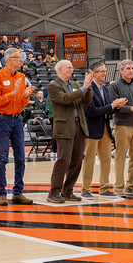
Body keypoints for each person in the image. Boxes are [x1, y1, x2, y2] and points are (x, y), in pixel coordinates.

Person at [0, 48, 35, 206]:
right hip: (2, 119)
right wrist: (13, 92)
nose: (21, 60)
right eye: (18, 57)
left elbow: (22, 103)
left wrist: (25, 96)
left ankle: (18, 192)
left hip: (17, 120)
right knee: (2, 157)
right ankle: (1, 193)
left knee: (21, 158)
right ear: (8, 60)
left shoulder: (22, 76)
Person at [45, 60, 94, 203]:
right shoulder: (53, 86)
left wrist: (88, 88)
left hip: (80, 126)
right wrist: (83, 88)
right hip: (65, 127)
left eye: (72, 67)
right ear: (59, 69)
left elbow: (87, 100)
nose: (71, 70)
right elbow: (65, 99)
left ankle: (68, 191)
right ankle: (54, 192)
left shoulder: (75, 85)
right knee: (63, 160)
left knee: (77, 160)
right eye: (69, 68)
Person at [81, 62, 126, 200]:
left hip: (105, 128)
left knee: (106, 160)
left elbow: (108, 108)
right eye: (101, 71)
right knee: (89, 161)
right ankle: (85, 189)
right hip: (91, 129)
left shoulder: (106, 89)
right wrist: (111, 105)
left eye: (105, 71)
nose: (104, 73)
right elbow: (91, 111)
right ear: (93, 73)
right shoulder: (88, 89)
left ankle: (104, 188)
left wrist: (117, 107)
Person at [109, 59, 133, 197]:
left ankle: (131, 187)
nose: (131, 70)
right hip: (122, 125)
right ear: (121, 71)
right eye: (128, 68)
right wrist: (132, 108)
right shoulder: (114, 86)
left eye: (132, 68)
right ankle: (119, 188)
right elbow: (114, 107)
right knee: (120, 157)